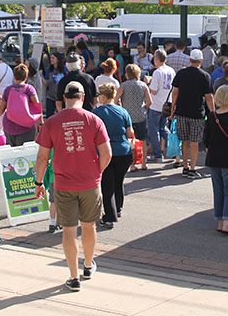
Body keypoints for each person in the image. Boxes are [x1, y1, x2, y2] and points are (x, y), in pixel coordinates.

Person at [33, 81, 111, 292]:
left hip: (63, 183)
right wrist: (97, 172)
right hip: (89, 183)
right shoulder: (94, 120)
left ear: (63, 99)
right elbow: (107, 154)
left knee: (68, 230)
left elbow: (42, 157)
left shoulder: (51, 122)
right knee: (89, 225)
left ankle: (73, 277)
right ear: (83, 97)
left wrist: (39, 182)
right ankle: (87, 265)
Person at [92, 84, 134, 228]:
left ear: (103, 96)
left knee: (107, 185)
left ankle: (109, 216)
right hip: (124, 152)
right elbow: (130, 133)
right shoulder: (123, 111)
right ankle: (118, 208)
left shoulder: (97, 112)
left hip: (106, 151)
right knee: (118, 181)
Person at [169, 49, 215, 179]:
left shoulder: (181, 73)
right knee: (194, 141)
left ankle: (185, 166)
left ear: (190, 60)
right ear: (201, 60)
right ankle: (193, 168)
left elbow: (175, 92)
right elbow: (209, 97)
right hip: (197, 113)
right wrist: (213, 113)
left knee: (185, 140)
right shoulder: (205, 76)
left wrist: (173, 108)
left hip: (181, 111)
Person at [204, 85, 228, 235]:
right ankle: (226, 223)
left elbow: (206, 141)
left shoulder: (212, 116)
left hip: (213, 157)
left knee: (218, 191)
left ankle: (220, 221)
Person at [117, 64, 150, 170]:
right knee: (142, 140)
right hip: (140, 115)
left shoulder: (123, 85)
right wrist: (143, 108)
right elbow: (150, 102)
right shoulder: (143, 85)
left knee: (130, 140)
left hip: (128, 116)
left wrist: (121, 107)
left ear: (127, 74)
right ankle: (144, 163)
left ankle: (132, 164)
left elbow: (116, 99)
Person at [0, 64, 41, 146]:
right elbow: (37, 106)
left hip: (9, 126)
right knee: (25, 154)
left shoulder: (8, 90)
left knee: (13, 154)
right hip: (26, 127)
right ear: (26, 77)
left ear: (14, 76)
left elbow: (0, 110)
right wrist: (41, 122)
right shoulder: (29, 89)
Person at [146, 49, 174, 163]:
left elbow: (153, 90)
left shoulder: (157, 72)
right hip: (167, 103)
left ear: (157, 59)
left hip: (156, 104)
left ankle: (157, 155)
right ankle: (175, 149)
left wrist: (149, 82)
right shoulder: (171, 71)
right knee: (163, 129)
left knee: (154, 130)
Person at [44, 51, 66, 118]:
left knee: (62, 116)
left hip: (61, 97)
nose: (51, 59)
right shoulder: (49, 69)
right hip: (50, 96)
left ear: (58, 59)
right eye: (50, 58)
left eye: (53, 58)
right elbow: (46, 81)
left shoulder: (64, 69)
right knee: (50, 116)